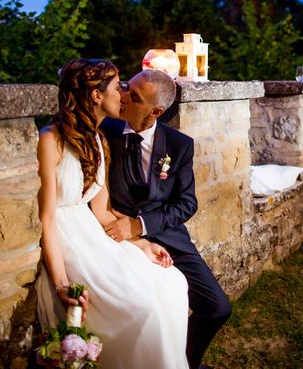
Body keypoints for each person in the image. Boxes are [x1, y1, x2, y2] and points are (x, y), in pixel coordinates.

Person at [35, 59, 189, 369]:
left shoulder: (99, 140)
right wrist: (62, 283)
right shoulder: (51, 140)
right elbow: (47, 218)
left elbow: (103, 212)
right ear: (96, 95)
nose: (122, 94)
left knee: (172, 283)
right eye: (118, 87)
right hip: (68, 242)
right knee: (142, 308)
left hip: (94, 234)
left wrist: (141, 244)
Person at [100, 69, 232, 369]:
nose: (122, 96)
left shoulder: (178, 145)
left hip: (168, 237)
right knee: (146, 310)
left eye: (134, 97)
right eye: (125, 87)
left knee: (217, 309)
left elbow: (187, 203)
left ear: (155, 111)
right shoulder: (104, 130)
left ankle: (184, 363)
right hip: (118, 239)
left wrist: (142, 224)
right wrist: (131, 233)